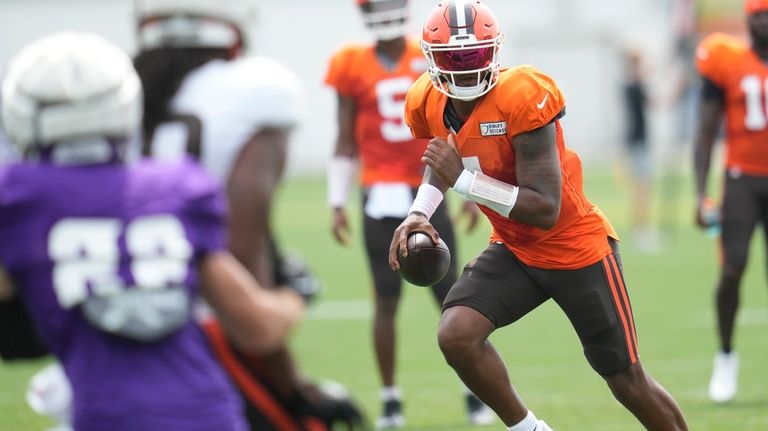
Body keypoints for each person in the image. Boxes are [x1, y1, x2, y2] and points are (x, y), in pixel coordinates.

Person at [388, 1, 690, 430]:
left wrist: (463, 182)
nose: (465, 67)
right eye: (453, 58)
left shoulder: (523, 93)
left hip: (573, 247)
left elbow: (544, 208)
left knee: (625, 380)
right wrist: (418, 213)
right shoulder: (428, 99)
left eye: (474, 55)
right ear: (432, 58)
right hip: (515, 248)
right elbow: (442, 159)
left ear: (493, 51)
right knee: (456, 334)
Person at [0, 31, 304, 431]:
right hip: (211, 417)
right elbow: (258, 328)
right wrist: (292, 297)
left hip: (105, 416)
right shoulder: (177, 187)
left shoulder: (19, 198)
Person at [133, 1, 367, 429]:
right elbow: (240, 255)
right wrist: (293, 384)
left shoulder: (114, 92)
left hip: (106, 350)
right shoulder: (253, 92)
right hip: (205, 343)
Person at [324, 0, 486, 428]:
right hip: (379, 192)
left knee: (451, 296)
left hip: (429, 186)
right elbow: (344, 138)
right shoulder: (350, 63)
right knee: (385, 300)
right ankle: (391, 397)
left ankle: (475, 389)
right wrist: (337, 198)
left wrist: (468, 187)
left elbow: (454, 126)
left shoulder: (426, 55)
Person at [693, 0, 768, 404]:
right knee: (733, 269)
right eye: (759, 13)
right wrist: (701, 192)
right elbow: (705, 131)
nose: (765, 21)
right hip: (741, 179)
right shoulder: (726, 59)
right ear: (748, 18)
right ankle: (725, 355)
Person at [621, 49, 659, 252]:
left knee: (642, 187)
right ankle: (641, 230)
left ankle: (642, 229)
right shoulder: (632, 86)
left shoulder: (632, 86)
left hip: (638, 141)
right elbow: (656, 101)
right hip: (638, 142)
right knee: (641, 188)